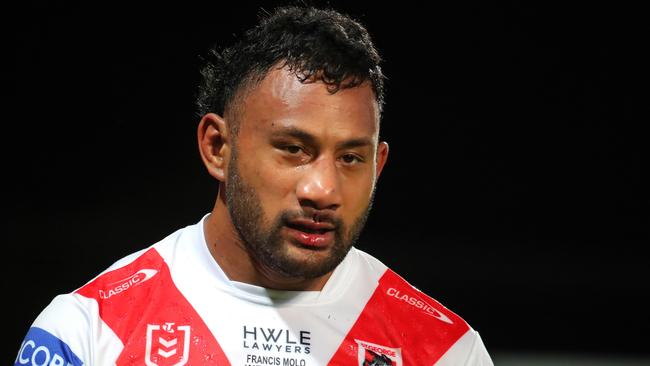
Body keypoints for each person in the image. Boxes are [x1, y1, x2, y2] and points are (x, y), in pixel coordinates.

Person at [15, 6, 493, 365]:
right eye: (293, 149)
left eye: (351, 158)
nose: (323, 189)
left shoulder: (448, 351)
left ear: (378, 165)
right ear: (217, 148)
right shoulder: (86, 335)